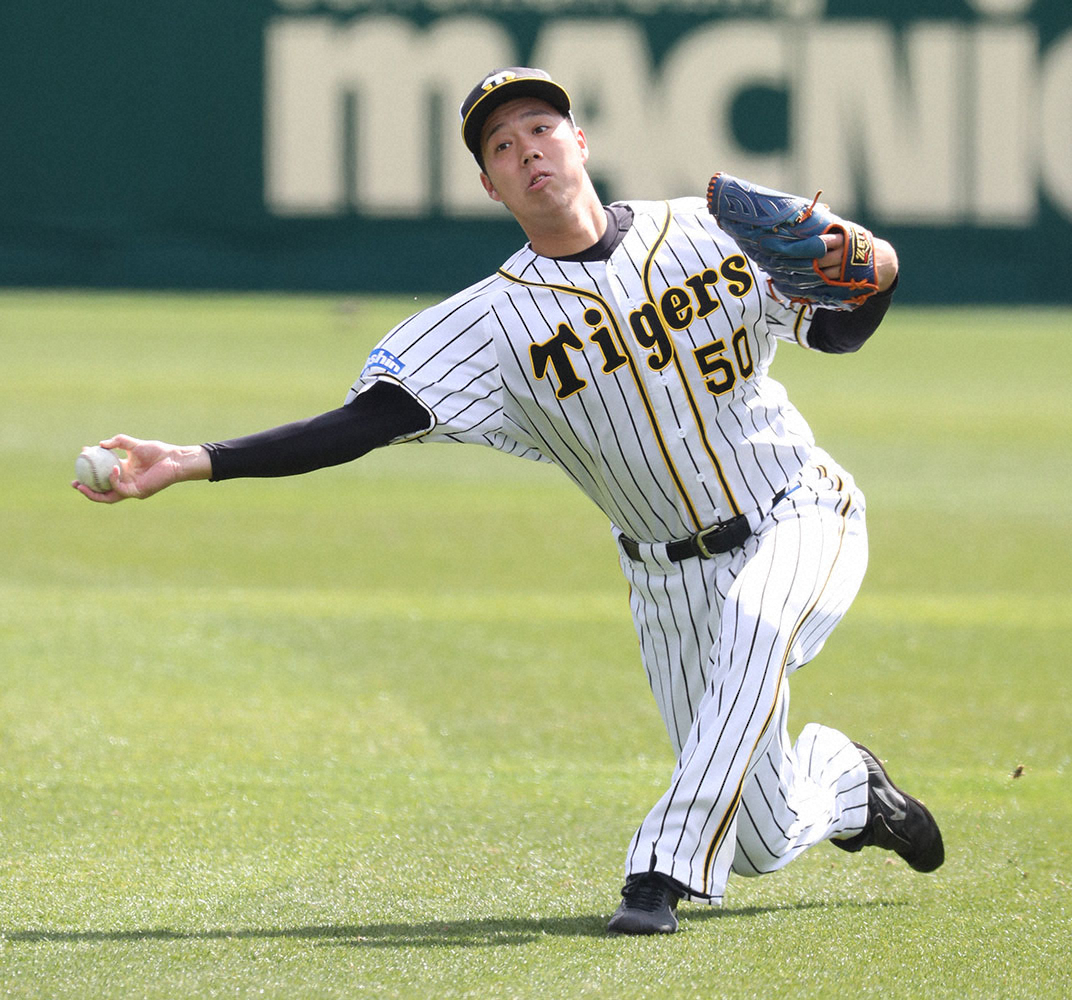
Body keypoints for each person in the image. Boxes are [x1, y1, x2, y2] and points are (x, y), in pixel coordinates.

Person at [74, 67, 943, 935]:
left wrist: (881, 276)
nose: (527, 150)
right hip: (668, 582)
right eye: (502, 145)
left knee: (758, 622)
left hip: (797, 510)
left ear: (580, 141)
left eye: (541, 128)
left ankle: (659, 870)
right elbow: (358, 426)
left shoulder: (705, 234)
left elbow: (835, 329)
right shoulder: (489, 324)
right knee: (759, 837)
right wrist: (193, 460)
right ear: (491, 186)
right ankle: (848, 786)